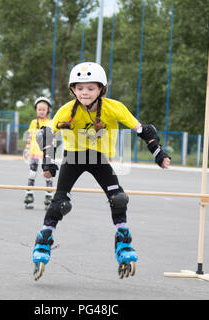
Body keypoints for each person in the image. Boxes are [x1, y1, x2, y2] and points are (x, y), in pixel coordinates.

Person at [31, 62, 171, 280]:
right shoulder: (66, 110)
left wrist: (158, 154)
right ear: (73, 90)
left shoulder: (114, 107)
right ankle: (44, 239)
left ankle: (123, 243)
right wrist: (48, 163)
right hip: (74, 157)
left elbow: (144, 130)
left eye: (90, 88)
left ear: (101, 89)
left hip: (99, 158)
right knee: (61, 203)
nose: (84, 93)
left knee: (119, 198)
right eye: (79, 88)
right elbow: (45, 134)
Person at [23, 97, 55, 209]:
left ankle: (49, 196)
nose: (41, 111)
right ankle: (29, 195)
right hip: (34, 153)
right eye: (39, 109)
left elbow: (52, 138)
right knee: (32, 174)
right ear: (36, 110)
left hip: (46, 154)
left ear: (48, 110)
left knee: (48, 175)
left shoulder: (51, 122)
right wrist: (27, 149)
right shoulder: (33, 123)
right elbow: (30, 137)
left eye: (43, 109)